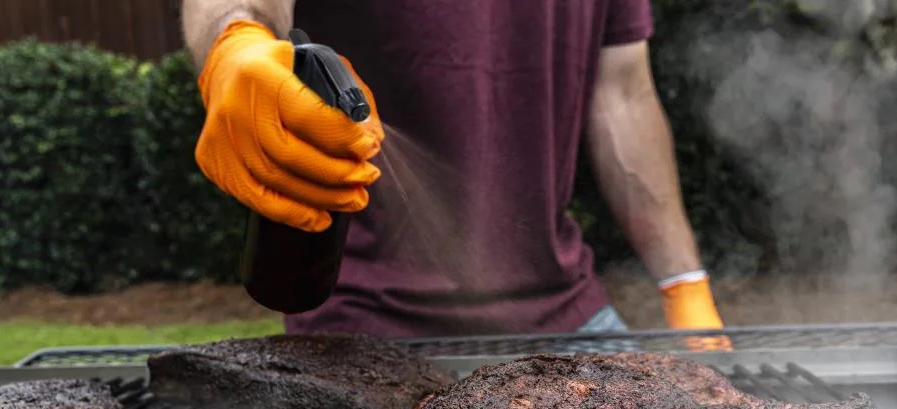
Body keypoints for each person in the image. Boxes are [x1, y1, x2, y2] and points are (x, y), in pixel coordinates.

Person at [181, 0, 730, 343]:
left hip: (570, 317)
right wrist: (235, 44)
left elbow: (624, 95)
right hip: (368, 333)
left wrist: (685, 285)